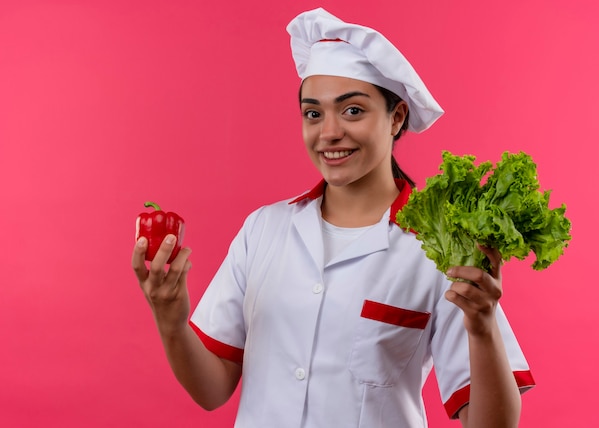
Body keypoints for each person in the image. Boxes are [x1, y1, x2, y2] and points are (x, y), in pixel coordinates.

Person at [132, 8, 534, 428]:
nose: (328, 133)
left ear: (396, 118)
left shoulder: (440, 247)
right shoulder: (263, 230)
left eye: (353, 111)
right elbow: (212, 390)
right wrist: (172, 320)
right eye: (313, 113)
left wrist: (483, 325)